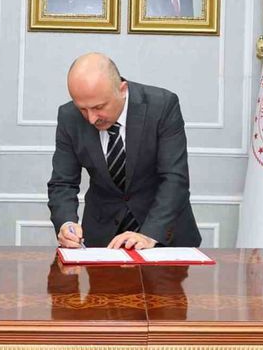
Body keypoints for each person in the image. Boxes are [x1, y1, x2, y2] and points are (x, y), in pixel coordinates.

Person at [47, 52, 201, 250]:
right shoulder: (69, 116)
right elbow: (63, 183)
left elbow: (174, 178)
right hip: (102, 241)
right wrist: (66, 224)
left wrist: (149, 234)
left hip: (163, 238)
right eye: (82, 109)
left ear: (122, 89)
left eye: (99, 107)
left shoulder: (162, 106)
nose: (91, 118)